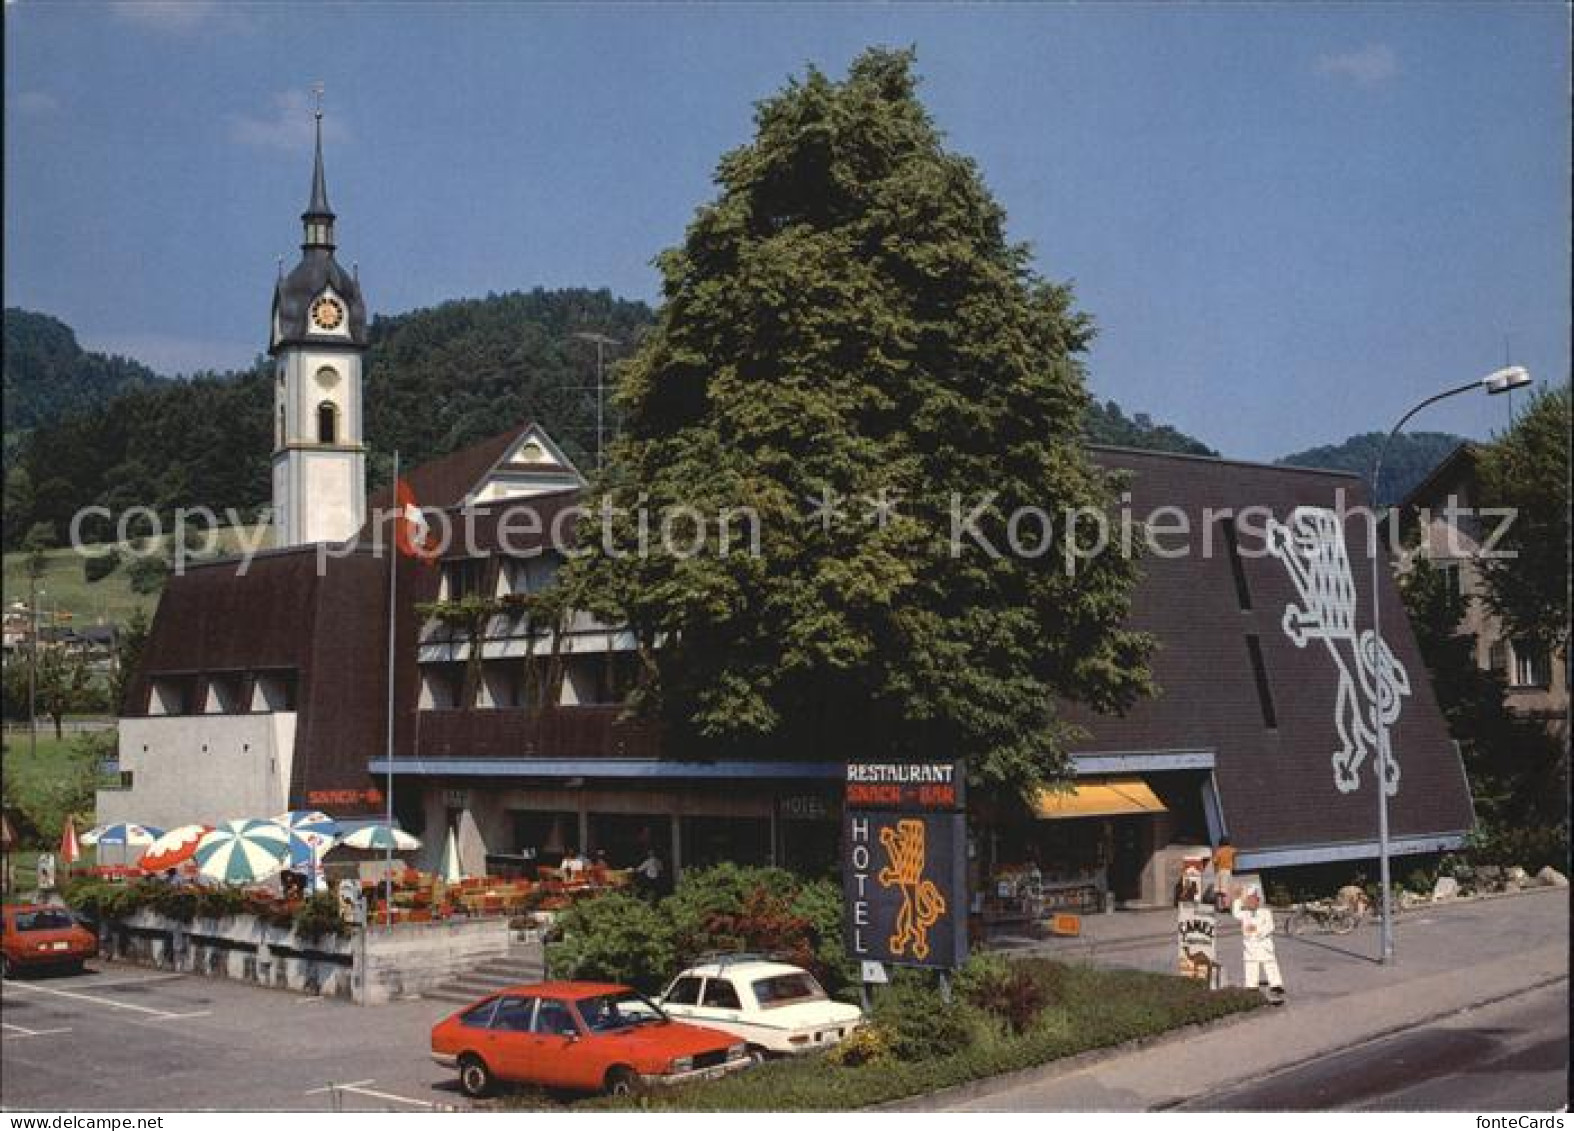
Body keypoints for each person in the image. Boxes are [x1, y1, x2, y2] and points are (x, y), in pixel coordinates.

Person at [1232, 884, 1285, 1002]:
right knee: (1251, 965)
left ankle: (1276, 984)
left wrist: (1259, 932)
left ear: (1258, 900)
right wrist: (1238, 898)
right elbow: (1235, 913)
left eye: (1253, 900)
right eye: (1248, 901)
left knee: (1270, 964)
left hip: (1263, 943)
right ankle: (1252, 985)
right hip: (1250, 945)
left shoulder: (1265, 912)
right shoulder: (1244, 913)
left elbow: (1270, 926)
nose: (1250, 903)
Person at [1212, 837, 1237, 911]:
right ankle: (1227, 906)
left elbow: (1215, 861)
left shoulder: (1219, 851)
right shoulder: (1232, 850)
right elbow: (1234, 859)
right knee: (1227, 889)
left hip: (1220, 871)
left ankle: (1220, 906)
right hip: (1229, 871)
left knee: (1219, 890)